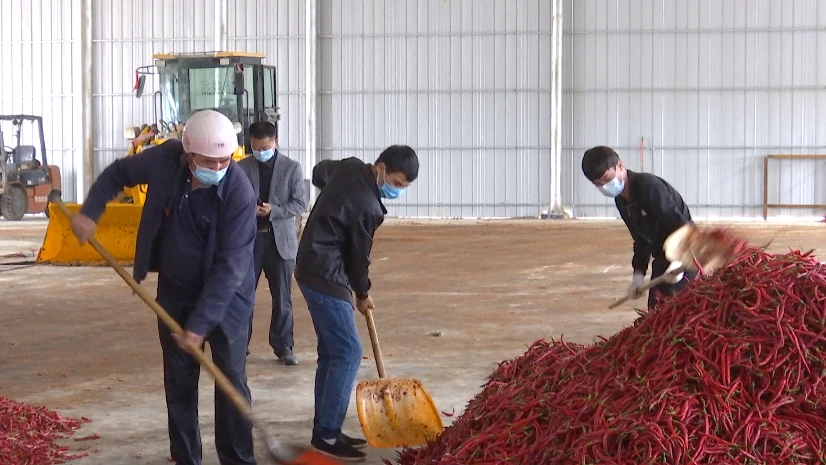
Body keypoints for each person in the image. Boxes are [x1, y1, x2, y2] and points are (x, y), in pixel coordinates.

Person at [70, 109, 258, 465]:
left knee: (230, 379)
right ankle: (187, 459)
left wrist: (199, 325)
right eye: (208, 161)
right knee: (180, 383)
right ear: (188, 153)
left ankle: (237, 458)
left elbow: (230, 267)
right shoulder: (165, 160)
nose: (217, 168)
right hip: (175, 291)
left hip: (227, 299)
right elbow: (119, 174)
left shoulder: (239, 193)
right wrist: (90, 210)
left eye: (224, 161)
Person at [294, 145, 419, 461]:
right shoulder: (368, 207)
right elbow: (358, 258)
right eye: (397, 184)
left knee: (332, 352)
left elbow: (321, 170)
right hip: (326, 274)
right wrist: (362, 294)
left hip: (308, 264)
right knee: (347, 352)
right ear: (380, 168)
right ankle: (326, 435)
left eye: (404, 187)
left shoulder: (349, 166)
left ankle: (325, 428)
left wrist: (332, 198)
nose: (398, 191)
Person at [581, 146, 695, 309]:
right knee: (655, 313)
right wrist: (638, 274)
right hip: (663, 258)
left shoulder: (648, 187)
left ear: (620, 166)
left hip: (687, 255)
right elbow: (641, 239)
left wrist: (680, 260)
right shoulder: (622, 201)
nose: (604, 186)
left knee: (675, 314)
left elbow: (683, 227)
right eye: (598, 184)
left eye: (607, 179)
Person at [238, 121, 306, 365]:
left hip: (280, 241)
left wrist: (273, 210)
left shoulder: (292, 168)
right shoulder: (241, 168)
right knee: (243, 295)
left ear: (275, 142)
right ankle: (239, 347)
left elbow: (300, 203)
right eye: (256, 147)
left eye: (265, 147)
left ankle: (284, 346)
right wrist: (250, 210)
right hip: (250, 241)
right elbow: (230, 200)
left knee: (282, 297)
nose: (260, 151)